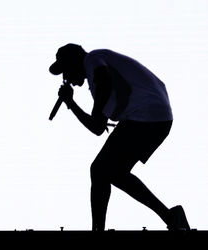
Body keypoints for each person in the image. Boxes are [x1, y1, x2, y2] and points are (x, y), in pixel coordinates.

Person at [49, 43, 190, 231]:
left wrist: (79, 105)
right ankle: (171, 217)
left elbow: (103, 85)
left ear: (74, 61)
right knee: (114, 173)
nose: (66, 78)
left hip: (146, 116)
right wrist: (72, 103)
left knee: (99, 170)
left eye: (66, 71)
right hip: (158, 118)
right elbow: (98, 126)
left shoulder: (92, 60)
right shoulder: (99, 67)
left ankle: (98, 229)